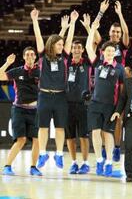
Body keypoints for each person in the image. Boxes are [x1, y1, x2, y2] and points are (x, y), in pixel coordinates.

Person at [32, 9, 77, 170]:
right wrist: (35, 21)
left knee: (59, 127)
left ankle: (59, 154)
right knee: (43, 127)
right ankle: (43, 153)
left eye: (62, 44)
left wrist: (72, 23)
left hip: (60, 97)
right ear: (52, 45)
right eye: (59, 44)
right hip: (44, 96)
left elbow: (69, 39)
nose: (62, 46)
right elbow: (38, 37)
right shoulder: (43, 55)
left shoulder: (64, 57)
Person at [85, 20, 125, 176]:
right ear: (103, 53)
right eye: (106, 51)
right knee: (95, 132)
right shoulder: (98, 63)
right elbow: (89, 47)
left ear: (114, 53)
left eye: (111, 51)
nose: (109, 53)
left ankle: (109, 162)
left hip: (110, 105)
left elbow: (122, 91)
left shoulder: (120, 69)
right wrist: (92, 29)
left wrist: (118, 109)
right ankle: (100, 160)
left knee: (107, 133)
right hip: (95, 103)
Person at [0, 49, 42, 176]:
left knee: (37, 139)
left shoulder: (40, 72)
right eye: (27, 54)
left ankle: (33, 167)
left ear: (35, 57)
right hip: (19, 109)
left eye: (32, 54)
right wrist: (7, 63)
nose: (30, 56)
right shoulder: (17, 71)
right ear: (24, 57)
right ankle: (7, 166)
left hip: (35, 110)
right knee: (21, 139)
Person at [65, 39, 92, 175]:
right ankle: (74, 162)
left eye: (78, 47)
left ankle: (86, 163)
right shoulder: (66, 63)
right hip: (67, 105)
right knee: (70, 136)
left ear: (82, 50)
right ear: (70, 50)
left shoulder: (87, 63)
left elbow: (93, 44)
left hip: (83, 105)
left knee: (83, 135)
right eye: (73, 47)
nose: (76, 50)